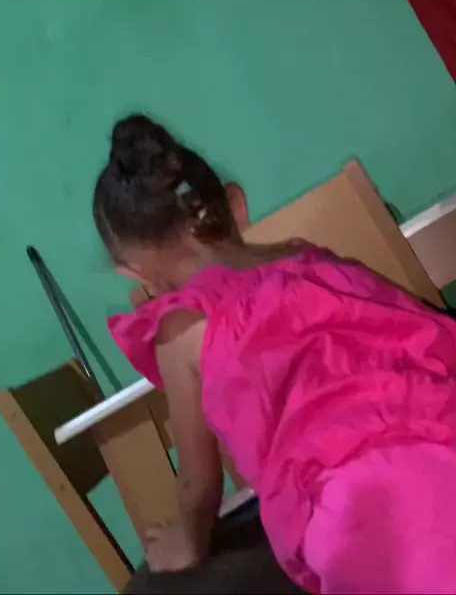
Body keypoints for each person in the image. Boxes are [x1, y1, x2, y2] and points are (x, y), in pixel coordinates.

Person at [94, 115, 456, 595]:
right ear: (236, 206)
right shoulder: (310, 260)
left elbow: (199, 486)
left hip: (353, 501)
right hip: (439, 423)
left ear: (133, 272)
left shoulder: (179, 330)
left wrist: (188, 542)